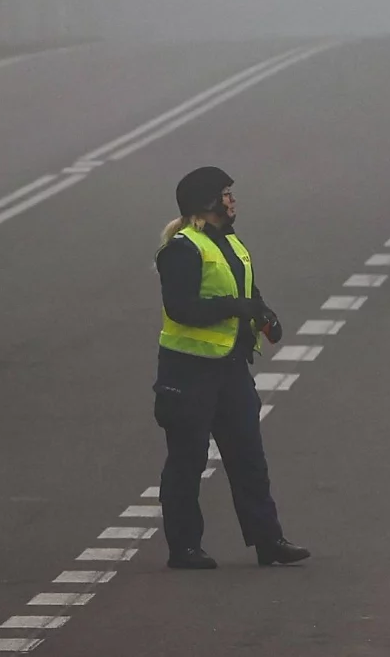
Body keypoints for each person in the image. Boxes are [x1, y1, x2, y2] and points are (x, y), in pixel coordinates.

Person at [153, 165, 309, 570]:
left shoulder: (231, 244)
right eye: (226, 194)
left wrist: (262, 314)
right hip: (188, 373)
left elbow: (246, 292)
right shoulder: (182, 249)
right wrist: (232, 308)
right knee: (187, 461)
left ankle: (268, 540)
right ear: (208, 202)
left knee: (248, 457)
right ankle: (184, 548)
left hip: (231, 369)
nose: (232, 200)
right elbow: (181, 308)